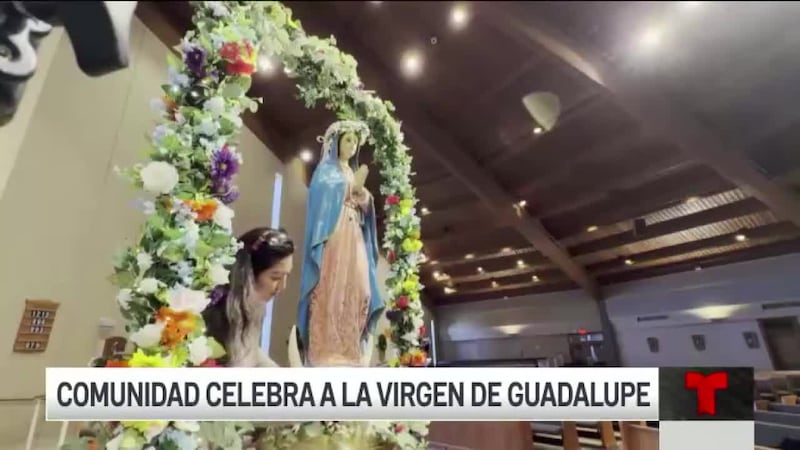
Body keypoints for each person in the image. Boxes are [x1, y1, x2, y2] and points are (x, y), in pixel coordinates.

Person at [203, 227, 295, 367]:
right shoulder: (219, 313)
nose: (282, 287)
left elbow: (250, 350)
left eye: (287, 276)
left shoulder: (252, 305)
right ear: (249, 274)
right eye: (275, 277)